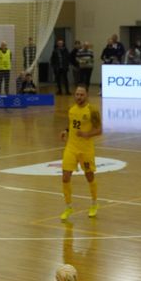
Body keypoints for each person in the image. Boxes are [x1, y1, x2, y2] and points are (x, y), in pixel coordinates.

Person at [59, 85, 102, 221]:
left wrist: (86, 134)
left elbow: (99, 130)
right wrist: (66, 131)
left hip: (86, 150)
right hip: (71, 148)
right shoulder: (72, 109)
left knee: (89, 176)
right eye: (77, 94)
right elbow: (73, 124)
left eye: (81, 95)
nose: (79, 97)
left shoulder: (92, 111)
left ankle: (94, 204)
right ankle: (68, 207)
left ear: (86, 95)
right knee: (65, 177)